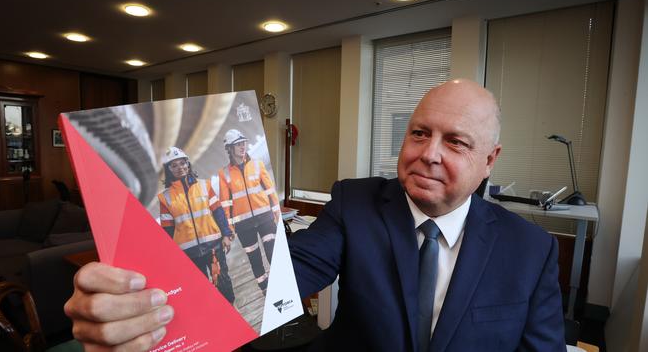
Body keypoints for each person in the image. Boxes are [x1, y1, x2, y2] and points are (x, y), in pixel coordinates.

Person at [63, 79, 565, 351]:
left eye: (455, 141)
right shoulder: (356, 202)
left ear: (490, 161)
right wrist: (146, 305)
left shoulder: (530, 249)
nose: (429, 153)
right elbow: (280, 279)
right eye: (419, 133)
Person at [158, 147, 235, 303]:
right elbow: (167, 230)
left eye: (182, 163)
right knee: (201, 289)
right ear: (169, 169)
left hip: (214, 244)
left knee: (223, 282)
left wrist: (226, 234)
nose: (180, 167)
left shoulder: (204, 186)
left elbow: (218, 212)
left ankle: (232, 310)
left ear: (188, 164)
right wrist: (171, 255)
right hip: (188, 253)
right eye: (174, 165)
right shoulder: (164, 197)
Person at [218, 129, 281, 294]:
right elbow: (225, 204)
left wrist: (276, 212)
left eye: (243, 143)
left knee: (272, 251)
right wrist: (228, 229)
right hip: (243, 225)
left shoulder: (257, 164)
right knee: (255, 259)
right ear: (229, 149)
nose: (242, 147)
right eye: (238, 144)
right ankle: (265, 288)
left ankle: (279, 283)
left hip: (265, 217)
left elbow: (270, 190)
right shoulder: (223, 174)